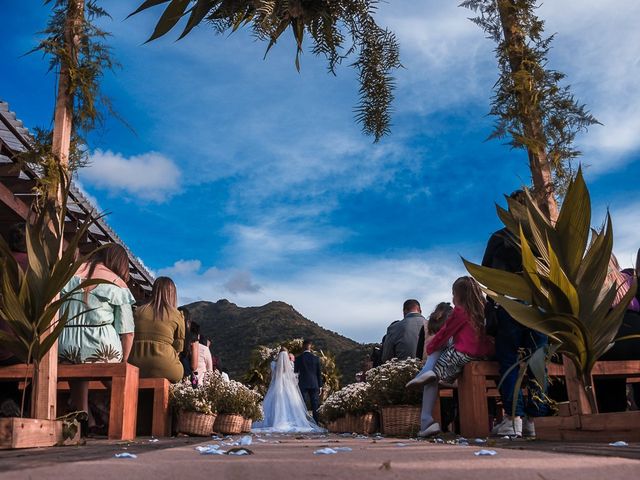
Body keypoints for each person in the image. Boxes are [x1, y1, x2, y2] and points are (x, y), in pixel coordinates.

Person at [483, 190, 551, 437]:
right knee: (537, 364)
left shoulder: (499, 238)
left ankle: (514, 419)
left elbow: (487, 275)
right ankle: (535, 420)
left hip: (509, 307)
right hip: (539, 309)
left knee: (509, 362)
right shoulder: (543, 238)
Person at [58, 243, 135, 433]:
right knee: (113, 370)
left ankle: (84, 415)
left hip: (65, 346)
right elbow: (127, 331)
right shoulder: (117, 282)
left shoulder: (69, 274)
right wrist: (124, 361)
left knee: (77, 359)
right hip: (102, 348)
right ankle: (120, 418)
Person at [408, 277, 494, 437]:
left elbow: (444, 333)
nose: (452, 299)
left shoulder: (460, 312)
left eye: (453, 294)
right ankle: (427, 374)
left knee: (433, 370)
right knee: (436, 364)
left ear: (459, 295)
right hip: (484, 357)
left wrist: (431, 348)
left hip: (460, 356)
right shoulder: (485, 309)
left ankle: (426, 421)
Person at [252, 347, 325, 433]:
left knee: (274, 403)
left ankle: (274, 421)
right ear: (287, 355)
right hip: (288, 386)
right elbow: (294, 376)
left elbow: (272, 377)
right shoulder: (290, 364)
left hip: (276, 386)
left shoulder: (273, 364)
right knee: (291, 403)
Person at [128, 277, 185, 383]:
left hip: (135, 363)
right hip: (164, 365)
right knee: (179, 371)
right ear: (173, 294)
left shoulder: (137, 311)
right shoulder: (177, 315)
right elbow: (178, 348)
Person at [294, 339, 323, 423]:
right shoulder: (316, 358)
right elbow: (319, 373)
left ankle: (303, 422)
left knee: (302, 404)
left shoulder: (298, 358)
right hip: (314, 383)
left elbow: (295, 372)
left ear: (303, 346)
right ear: (310, 346)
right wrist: (320, 386)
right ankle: (316, 422)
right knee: (315, 404)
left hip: (302, 383)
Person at [177, 306, 198, 380]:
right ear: (188, 322)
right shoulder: (192, 338)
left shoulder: (171, 334)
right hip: (186, 376)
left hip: (173, 373)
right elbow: (194, 366)